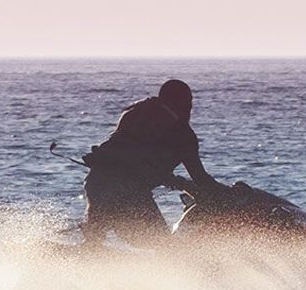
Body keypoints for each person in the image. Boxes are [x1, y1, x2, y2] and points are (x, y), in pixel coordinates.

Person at [78, 79, 221, 248]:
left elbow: (135, 160)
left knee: (95, 237)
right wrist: (223, 194)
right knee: (164, 246)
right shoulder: (183, 135)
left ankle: (90, 248)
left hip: (97, 182)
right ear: (180, 102)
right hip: (127, 194)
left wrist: (178, 182)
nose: (190, 107)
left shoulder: (133, 114)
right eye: (188, 102)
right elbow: (199, 177)